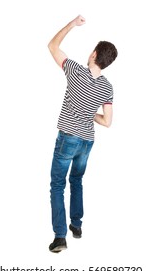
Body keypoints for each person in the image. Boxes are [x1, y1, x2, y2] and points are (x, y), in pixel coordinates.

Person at [47, 15, 118, 253]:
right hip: (87, 141)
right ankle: (76, 226)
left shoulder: (76, 71)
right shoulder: (107, 87)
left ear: (95, 55)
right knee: (76, 180)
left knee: (57, 185)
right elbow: (107, 122)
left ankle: (60, 237)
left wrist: (71, 25)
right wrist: (90, 116)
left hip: (68, 137)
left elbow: (52, 46)